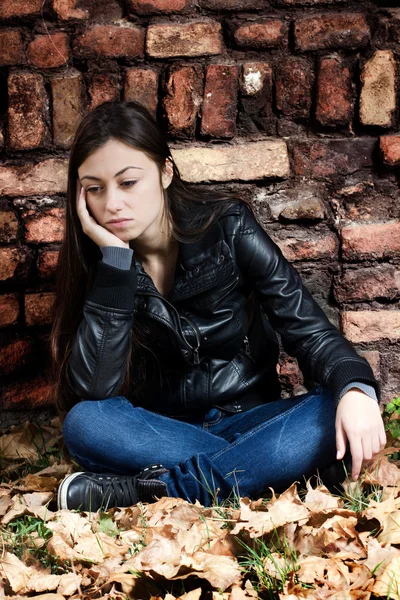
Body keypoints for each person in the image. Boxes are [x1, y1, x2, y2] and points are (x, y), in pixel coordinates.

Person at [50, 100, 386, 512]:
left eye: (128, 182)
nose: (112, 204)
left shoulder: (229, 228)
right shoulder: (100, 262)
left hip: (253, 417)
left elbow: (310, 331)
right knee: (86, 422)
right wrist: (116, 267)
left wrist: (354, 387)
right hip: (164, 431)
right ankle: (264, 470)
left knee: (334, 404)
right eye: (95, 188)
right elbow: (95, 390)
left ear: (165, 172)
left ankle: (148, 488)